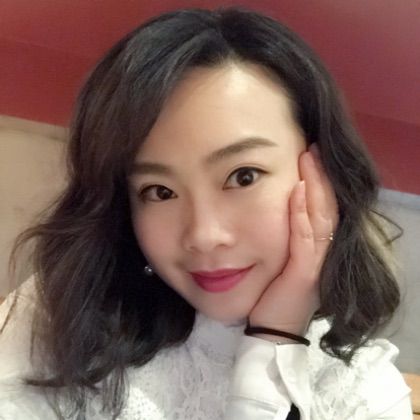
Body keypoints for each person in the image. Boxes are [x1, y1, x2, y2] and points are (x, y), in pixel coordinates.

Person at [0, 6, 412, 419]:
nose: (203, 234)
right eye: (159, 191)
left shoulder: (359, 392)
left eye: (244, 176)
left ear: (324, 174)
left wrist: (275, 340)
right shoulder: (58, 320)